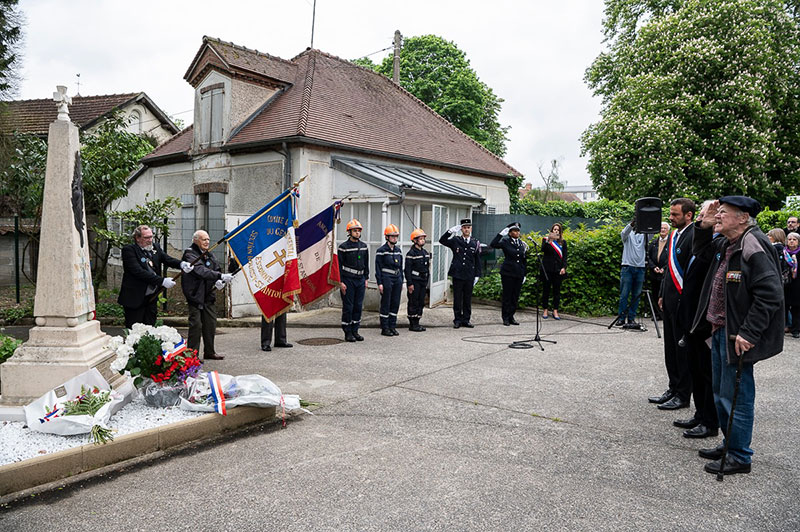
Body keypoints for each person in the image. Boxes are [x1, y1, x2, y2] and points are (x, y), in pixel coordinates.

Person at [691, 196, 784, 475]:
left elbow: (770, 294)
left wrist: (749, 332)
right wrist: (704, 224)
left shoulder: (753, 244)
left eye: (723, 213)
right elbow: (701, 251)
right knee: (721, 393)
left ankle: (740, 456)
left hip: (737, 336)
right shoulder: (729, 243)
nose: (717, 216)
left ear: (743, 217)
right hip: (721, 330)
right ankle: (730, 444)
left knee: (737, 397)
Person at [673, 201, 719, 439]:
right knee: (696, 370)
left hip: (703, 322)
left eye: (706, 216)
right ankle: (700, 414)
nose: (701, 221)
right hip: (690, 319)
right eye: (700, 216)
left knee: (706, 373)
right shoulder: (703, 243)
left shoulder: (718, 245)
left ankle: (709, 421)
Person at [651, 198, 696, 411]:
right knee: (670, 348)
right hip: (668, 299)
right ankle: (673, 387)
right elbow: (669, 269)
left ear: (689, 215)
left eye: (675, 214)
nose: (671, 218)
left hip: (683, 303)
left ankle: (683, 394)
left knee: (681, 351)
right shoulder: (674, 235)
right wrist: (661, 294)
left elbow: (690, 272)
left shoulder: (693, 235)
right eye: (671, 213)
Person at [118, 224, 192, 329]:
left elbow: (167, 259)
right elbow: (138, 272)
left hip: (151, 297)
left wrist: (182, 264)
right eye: (146, 238)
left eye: (151, 236)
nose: (150, 240)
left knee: (150, 329)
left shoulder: (155, 247)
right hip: (135, 298)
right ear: (137, 238)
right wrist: (161, 281)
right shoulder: (129, 250)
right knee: (135, 331)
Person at [182, 230, 232, 360]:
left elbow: (215, 268)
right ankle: (192, 355)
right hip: (195, 295)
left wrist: (219, 280)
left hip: (208, 294)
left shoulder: (209, 254)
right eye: (204, 239)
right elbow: (200, 271)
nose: (207, 242)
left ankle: (209, 351)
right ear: (196, 240)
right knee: (196, 325)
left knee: (210, 324)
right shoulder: (190, 254)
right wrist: (219, 276)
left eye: (208, 239)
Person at [228, 258, 293, 352]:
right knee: (268, 309)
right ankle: (266, 342)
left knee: (282, 306)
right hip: (268, 276)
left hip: (280, 273)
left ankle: (281, 339)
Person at [439, 218, 482, 328]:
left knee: (467, 299)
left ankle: (466, 320)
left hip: (469, 274)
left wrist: (477, 275)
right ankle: (457, 319)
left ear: (471, 229)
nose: (466, 229)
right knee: (457, 298)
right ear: (461, 229)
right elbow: (442, 241)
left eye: (468, 227)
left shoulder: (475, 242)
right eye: (464, 227)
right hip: (457, 274)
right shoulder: (456, 240)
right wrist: (450, 231)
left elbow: (477, 260)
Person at [490, 222, 529, 325]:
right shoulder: (505, 241)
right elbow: (493, 244)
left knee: (515, 297)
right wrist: (500, 234)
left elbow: (524, 260)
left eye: (518, 231)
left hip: (518, 273)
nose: (517, 232)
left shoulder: (521, 243)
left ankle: (511, 316)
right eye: (514, 231)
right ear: (510, 233)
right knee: (507, 296)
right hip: (508, 273)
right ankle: (505, 317)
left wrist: (524, 273)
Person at [338, 219, 369, 342]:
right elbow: (339, 266)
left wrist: (366, 278)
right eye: (354, 231)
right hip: (348, 280)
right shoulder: (343, 247)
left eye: (358, 231)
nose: (357, 233)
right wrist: (341, 282)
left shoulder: (364, 246)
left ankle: (355, 330)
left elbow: (366, 263)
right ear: (349, 232)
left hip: (360, 280)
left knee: (358, 306)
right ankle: (347, 332)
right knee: (348, 307)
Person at [616, 219, 646, 329]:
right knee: (624, 294)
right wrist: (631, 224)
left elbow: (652, 232)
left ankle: (632, 317)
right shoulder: (628, 236)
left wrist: (647, 220)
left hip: (640, 268)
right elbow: (623, 233)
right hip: (627, 267)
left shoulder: (644, 236)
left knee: (636, 295)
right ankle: (621, 318)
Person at [376, 224, 404, 336]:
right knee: (386, 303)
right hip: (386, 278)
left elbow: (401, 267)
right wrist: (380, 283)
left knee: (395, 303)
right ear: (387, 237)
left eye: (396, 236)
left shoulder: (398, 250)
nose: (395, 238)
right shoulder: (381, 251)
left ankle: (392, 326)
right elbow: (378, 268)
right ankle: (385, 327)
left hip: (397, 279)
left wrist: (402, 280)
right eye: (392, 236)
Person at [539, 222, 566, 320]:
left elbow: (565, 257)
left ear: (560, 231)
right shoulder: (546, 240)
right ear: (551, 230)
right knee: (546, 290)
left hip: (558, 270)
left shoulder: (563, 242)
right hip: (547, 270)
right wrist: (549, 241)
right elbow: (543, 250)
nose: (556, 231)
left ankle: (555, 310)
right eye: (554, 229)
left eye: (558, 230)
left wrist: (564, 267)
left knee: (556, 291)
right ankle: (545, 309)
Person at [405, 228, 430, 332]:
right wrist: (410, 284)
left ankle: (417, 322)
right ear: (415, 240)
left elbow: (427, 267)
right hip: (415, 281)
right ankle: (412, 323)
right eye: (420, 239)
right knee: (413, 302)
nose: (423, 241)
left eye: (423, 239)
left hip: (423, 281)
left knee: (421, 302)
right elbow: (407, 270)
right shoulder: (411, 254)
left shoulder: (425, 252)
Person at [646, 222, 670, 320]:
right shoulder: (654, 242)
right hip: (654, 273)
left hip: (665, 273)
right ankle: (656, 313)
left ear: (668, 230)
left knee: (664, 294)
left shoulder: (671, 242)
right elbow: (648, 256)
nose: (662, 230)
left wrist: (664, 268)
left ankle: (664, 313)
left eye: (664, 228)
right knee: (655, 293)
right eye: (661, 228)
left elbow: (672, 258)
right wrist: (653, 267)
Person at [783, 232, 800, 338]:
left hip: (797, 285)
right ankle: (783, 327)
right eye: (789, 239)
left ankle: (796, 329)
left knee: (796, 308)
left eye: (794, 239)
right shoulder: (783, 253)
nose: (792, 241)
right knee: (783, 307)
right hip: (784, 284)